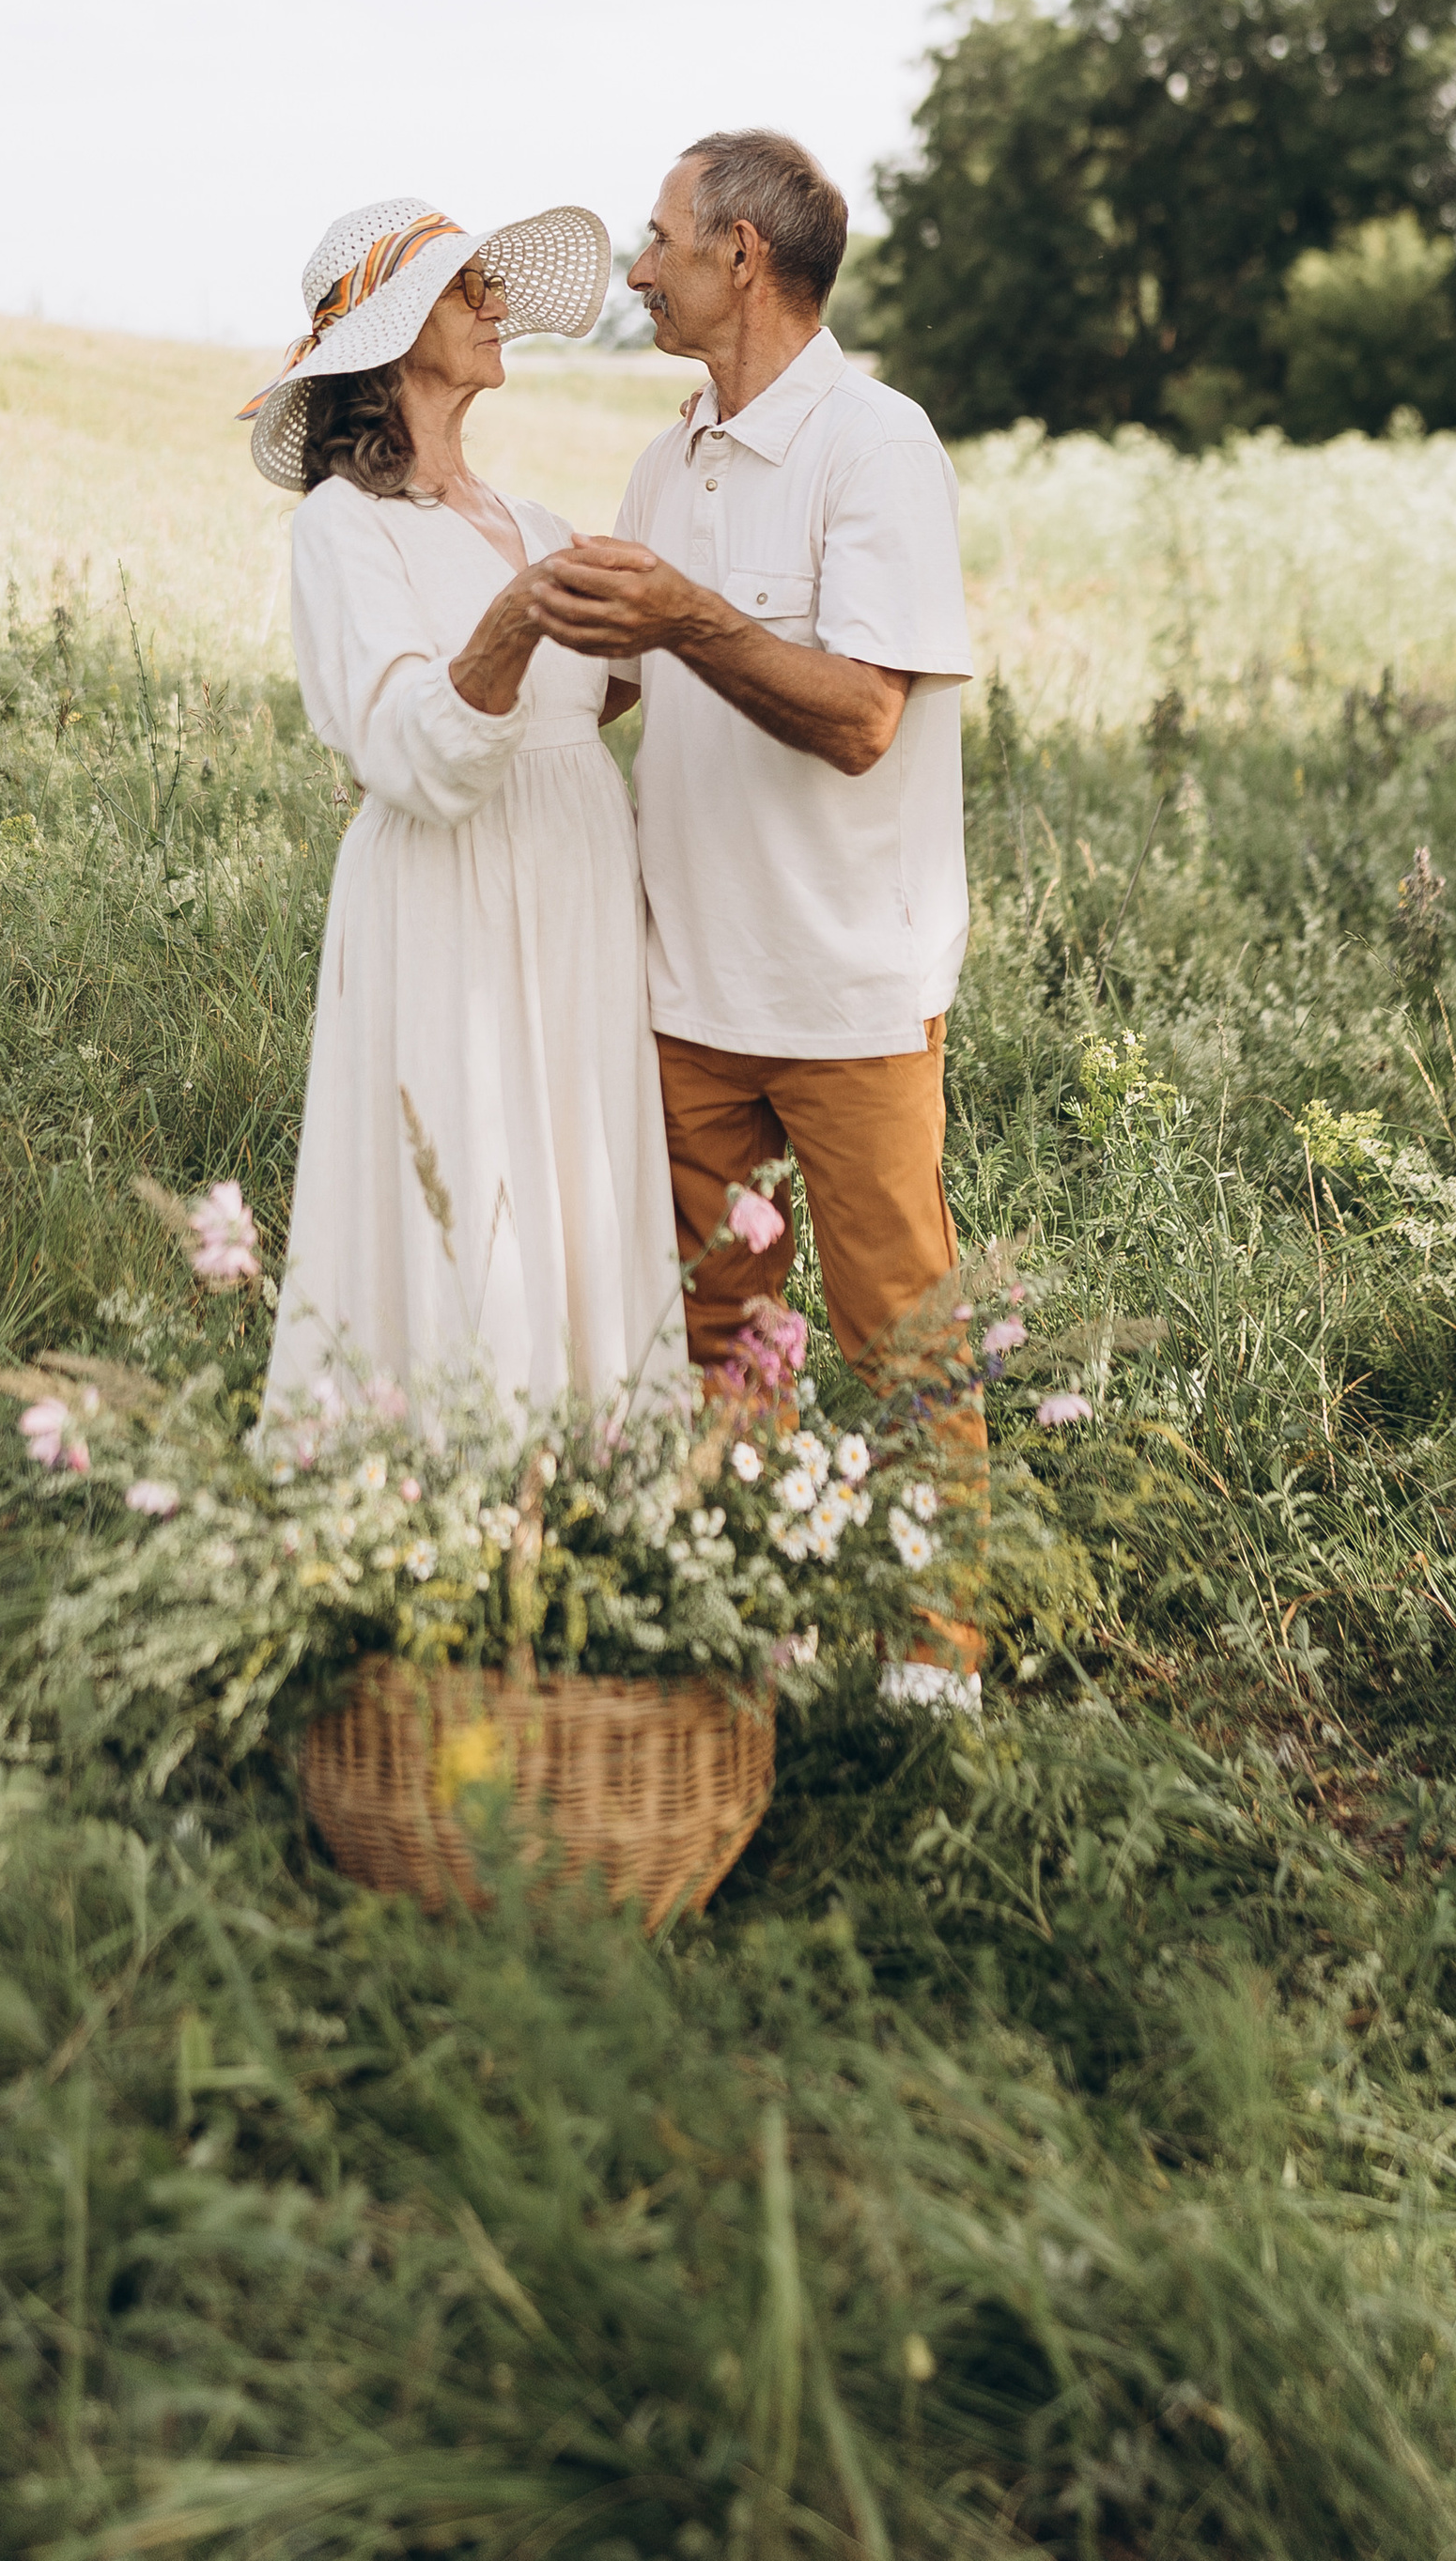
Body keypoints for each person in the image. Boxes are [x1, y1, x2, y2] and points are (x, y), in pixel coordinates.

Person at [524, 129, 986, 1703]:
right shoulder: (667, 462)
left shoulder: (878, 446)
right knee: (713, 1337)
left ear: (741, 256)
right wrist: (448, 732)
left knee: (901, 1338)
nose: (634, 273)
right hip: (685, 982)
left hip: (848, 980)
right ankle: (752, 1623)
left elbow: (864, 716)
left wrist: (687, 617)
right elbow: (628, 676)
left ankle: (944, 1666)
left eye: (657, 241)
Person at [244, 193, 685, 1428]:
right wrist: (519, 617)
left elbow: (581, 705)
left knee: (576, 1170)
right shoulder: (344, 530)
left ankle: (596, 1488)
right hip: (447, 896)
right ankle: (450, 1501)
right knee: (467, 1167)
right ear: (387, 339)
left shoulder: (533, 523)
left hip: (575, 885)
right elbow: (416, 758)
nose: (496, 305)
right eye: (463, 288)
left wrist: (677, 604)